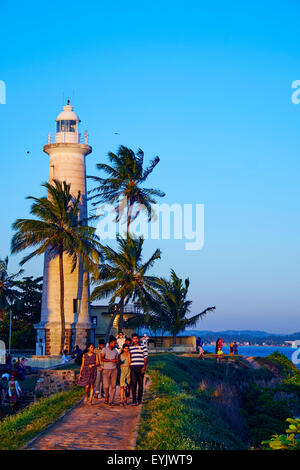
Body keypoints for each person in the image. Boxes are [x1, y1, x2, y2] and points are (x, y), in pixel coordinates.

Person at [129, 333, 148, 405]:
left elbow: (145, 357)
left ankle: (139, 399)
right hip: (133, 367)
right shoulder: (130, 347)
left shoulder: (143, 347)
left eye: (136, 338)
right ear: (132, 339)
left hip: (141, 367)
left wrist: (144, 367)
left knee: (140, 384)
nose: (135, 340)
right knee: (133, 384)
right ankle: (134, 400)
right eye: (134, 338)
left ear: (138, 339)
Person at [101, 336, 119, 406]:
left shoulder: (116, 351)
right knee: (106, 386)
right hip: (106, 369)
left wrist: (117, 361)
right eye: (114, 343)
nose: (115, 344)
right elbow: (102, 358)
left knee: (113, 386)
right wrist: (111, 360)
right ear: (111, 343)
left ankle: (111, 400)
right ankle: (106, 396)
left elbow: (117, 360)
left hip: (114, 370)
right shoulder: (104, 350)